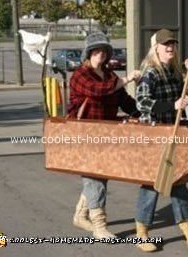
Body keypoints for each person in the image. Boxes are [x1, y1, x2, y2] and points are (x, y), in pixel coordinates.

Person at [134, 29, 188, 253]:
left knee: (176, 180)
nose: (170, 47)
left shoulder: (175, 71)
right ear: (156, 48)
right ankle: (142, 233)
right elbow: (141, 102)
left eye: (172, 43)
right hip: (152, 135)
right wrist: (171, 106)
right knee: (152, 184)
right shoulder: (150, 73)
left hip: (172, 134)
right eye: (165, 45)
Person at [68, 31, 140, 239]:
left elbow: (124, 101)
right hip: (85, 133)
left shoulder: (109, 75)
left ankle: (81, 215)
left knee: (98, 176)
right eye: (96, 50)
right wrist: (127, 79)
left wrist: (142, 113)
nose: (101, 54)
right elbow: (98, 91)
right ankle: (99, 226)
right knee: (95, 178)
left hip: (106, 134)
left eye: (104, 51)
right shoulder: (80, 75)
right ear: (88, 53)